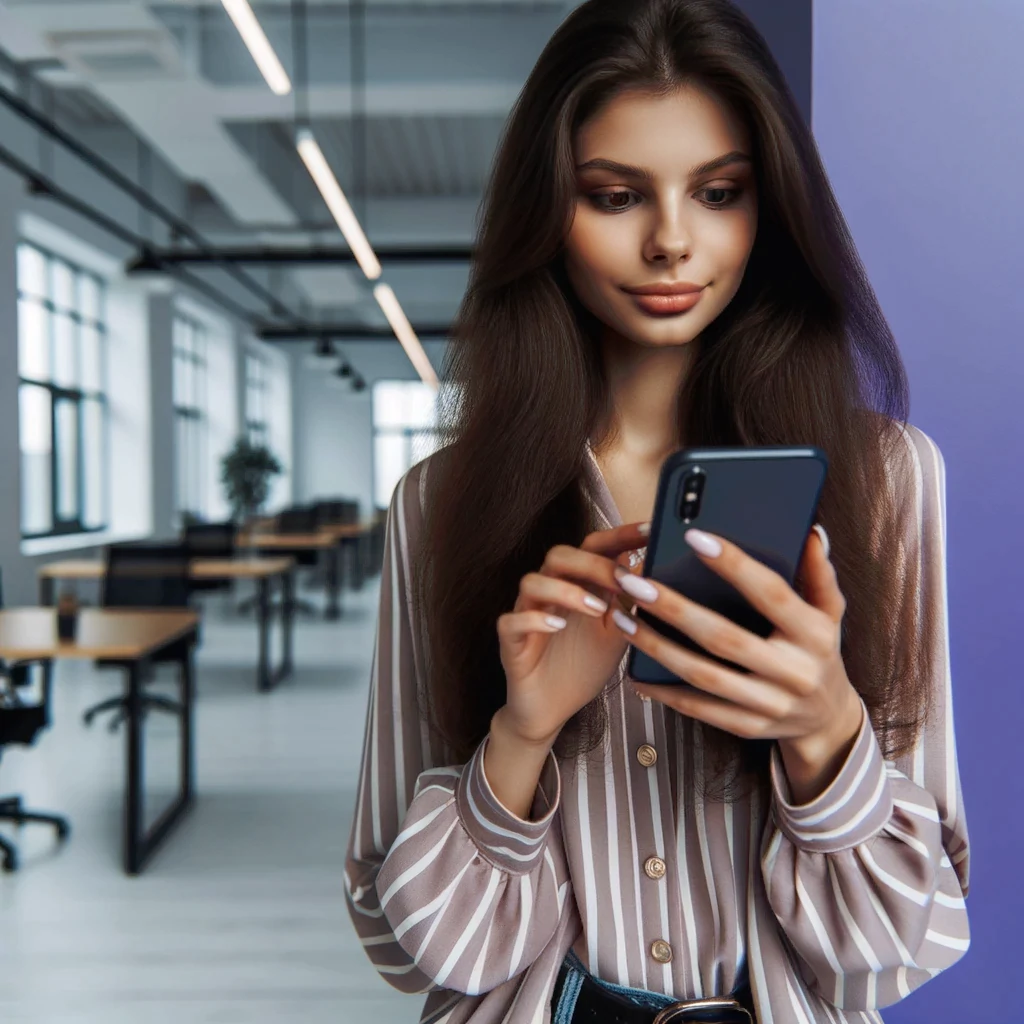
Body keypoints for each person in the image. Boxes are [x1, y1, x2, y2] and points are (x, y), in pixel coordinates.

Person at [344, 1, 970, 1021]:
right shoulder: (439, 503)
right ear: (548, 212)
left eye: (717, 192)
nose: (671, 241)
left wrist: (824, 730)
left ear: (769, 209)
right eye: (615, 195)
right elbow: (406, 941)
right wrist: (522, 733)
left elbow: (908, 941)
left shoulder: (889, 478)